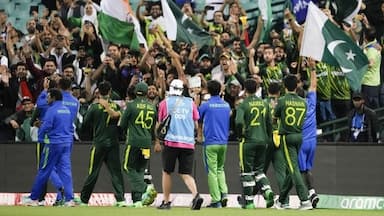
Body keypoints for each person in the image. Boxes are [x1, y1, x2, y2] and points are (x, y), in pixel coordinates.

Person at [76, 81, 126, 207]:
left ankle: (84, 200)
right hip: (113, 143)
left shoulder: (93, 107)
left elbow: (84, 125)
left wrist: (96, 125)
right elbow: (122, 125)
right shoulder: (116, 107)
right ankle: (120, 199)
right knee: (116, 172)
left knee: (93, 172)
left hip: (99, 143)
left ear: (98, 91)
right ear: (110, 91)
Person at [155, 79, 203, 210]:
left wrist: (157, 140)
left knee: (167, 172)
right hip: (188, 143)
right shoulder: (190, 103)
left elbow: (160, 123)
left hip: (171, 142)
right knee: (186, 173)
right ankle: (196, 195)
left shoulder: (164, 103)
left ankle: (166, 201)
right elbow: (195, 123)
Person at [22, 88, 74, 206]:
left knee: (44, 170)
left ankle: (34, 198)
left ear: (53, 98)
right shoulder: (66, 110)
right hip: (66, 143)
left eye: (48, 97)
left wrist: (40, 139)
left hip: (53, 144)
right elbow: (70, 127)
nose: (47, 99)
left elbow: (46, 127)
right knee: (65, 171)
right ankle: (69, 199)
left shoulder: (51, 110)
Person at [274, 74, 312, 210]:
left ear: (285, 86)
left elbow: (275, 116)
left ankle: (305, 199)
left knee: (293, 169)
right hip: (299, 136)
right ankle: (282, 201)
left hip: (287, 136)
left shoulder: (282, 100)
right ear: (297, 86)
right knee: (292, 168)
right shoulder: (304, 102)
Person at [235, 79, 274, 209]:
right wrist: (268, 139)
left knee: (247, 172)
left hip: (249, 141)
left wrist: (240, 135)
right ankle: (267, 190)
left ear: (245, 89)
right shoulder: (265, 104)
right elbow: (270, 123)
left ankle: (249, 202)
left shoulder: (243, 105)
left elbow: (239, 122)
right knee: (259, 171)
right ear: (257, 88)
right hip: (263, 141)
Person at [119, 82, 158, 207]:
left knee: (128, 167)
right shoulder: (152, 107)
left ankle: (145, 188)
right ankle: (138, 201)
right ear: (147, 93)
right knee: (140, 170)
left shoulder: (131, 106)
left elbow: (122, 124)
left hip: (134, 141)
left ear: (136, 92)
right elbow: (153, 127)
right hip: (147, 142)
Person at [197, 80, 231, 208]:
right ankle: (224, 193)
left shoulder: (206, 105)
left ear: (209, 91)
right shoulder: (226, 105)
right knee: (220, 169)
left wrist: (199, 134)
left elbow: (197, 118)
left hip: (210, 142)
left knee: (211, 171)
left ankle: (216, 200)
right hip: (224, 142)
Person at [298, 64, 319, 208]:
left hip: (301, 142)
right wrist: (312, 69)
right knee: (307, 170)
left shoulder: (293, 107)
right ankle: (312, 193)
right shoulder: (310, 102)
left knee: (300, 171)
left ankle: (306, 198)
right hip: (312, 142)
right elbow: (314, 85)